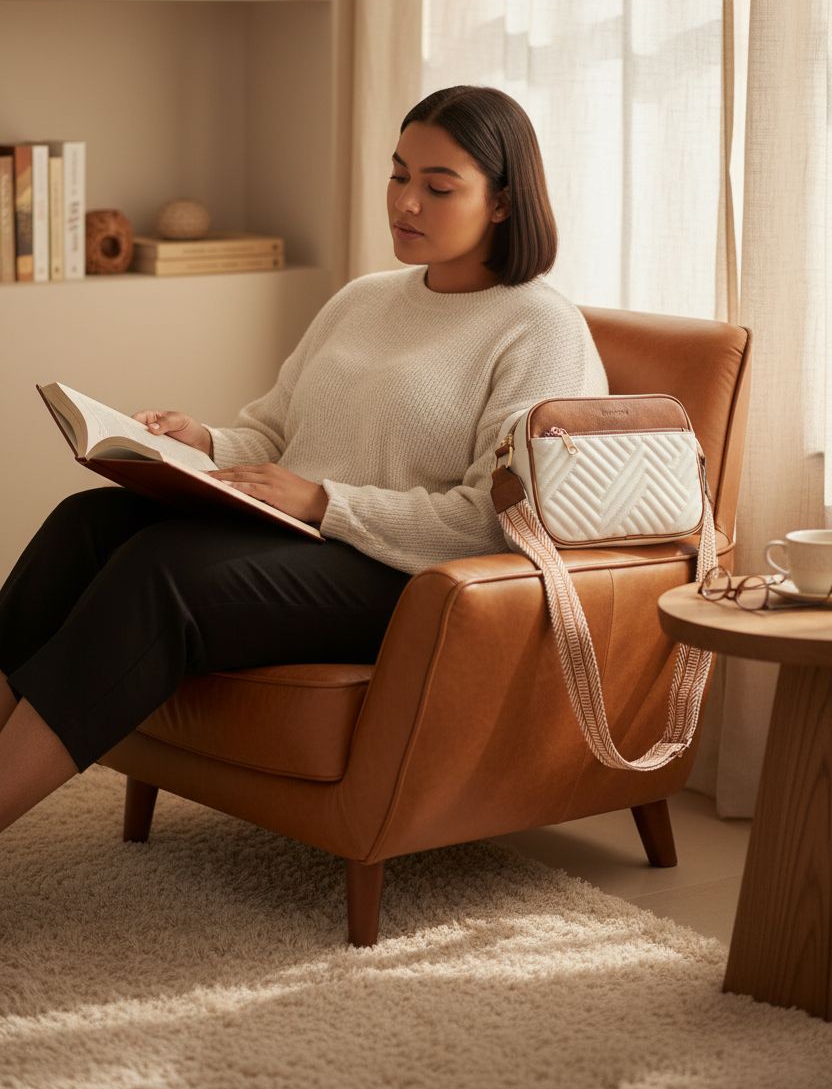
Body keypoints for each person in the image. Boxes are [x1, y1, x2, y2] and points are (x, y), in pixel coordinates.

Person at [0, 84, 608, 836]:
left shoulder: (541, 329)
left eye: (438, 186)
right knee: (86, 523)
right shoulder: (364, 298)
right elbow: (276, 433)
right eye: (398, 175)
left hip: (408, 582)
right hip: (305, 542)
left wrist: (325, 503)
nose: (405, 203)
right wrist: (207, 444)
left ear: (504, 204)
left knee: (162, 569)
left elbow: (500, 521)